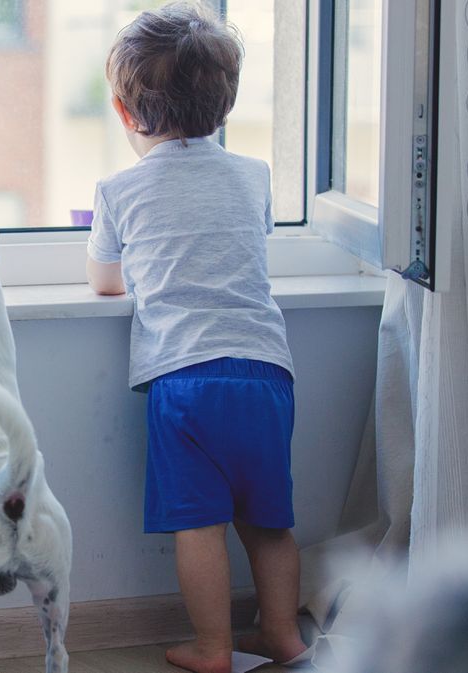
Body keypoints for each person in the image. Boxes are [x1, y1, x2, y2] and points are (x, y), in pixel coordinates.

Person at [85, 3, 310, 671]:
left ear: (126, 114)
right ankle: (285, 635)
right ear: (225, 105)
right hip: (268, 372)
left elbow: (104, 281)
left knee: (200, 523)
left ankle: (213, 646)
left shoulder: (119, 189)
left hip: (186, 381)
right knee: (270, 519)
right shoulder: (254, 176)